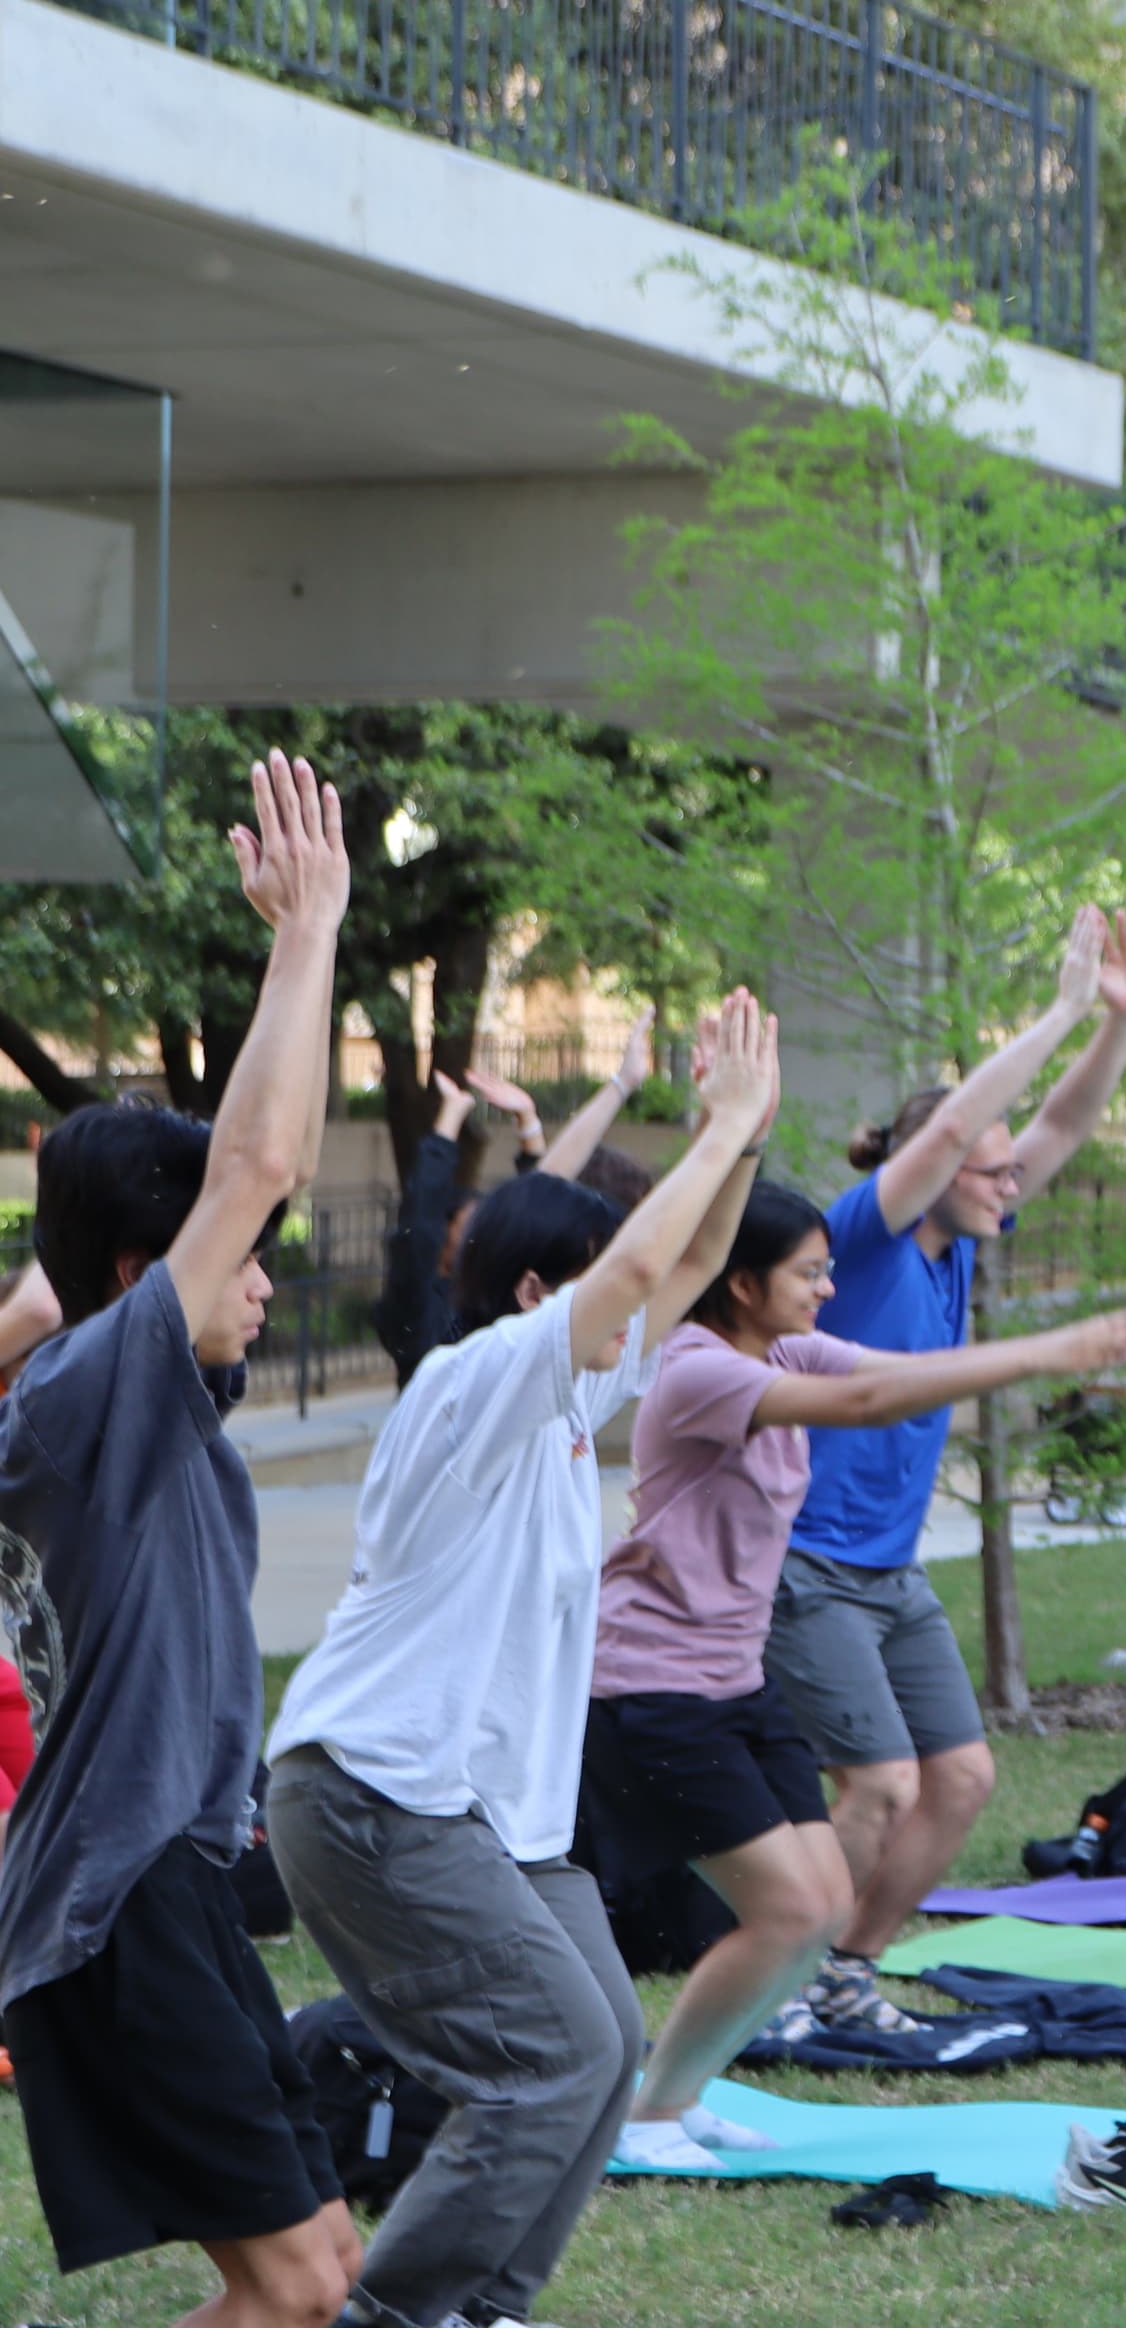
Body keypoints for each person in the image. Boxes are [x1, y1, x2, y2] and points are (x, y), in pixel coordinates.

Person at [260, 991, 774, 2328]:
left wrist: (747, 1129)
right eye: (604, 1281)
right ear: (541, 1291)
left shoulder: (566, 1401)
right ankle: (397, 2315)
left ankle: (482, 2307)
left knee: (600, 2061)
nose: (644, 1310)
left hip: (488, 1821)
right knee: (544, 2065)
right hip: (378, 1794)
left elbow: (683, 1265)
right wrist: (709, 1132)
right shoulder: (478, 1377)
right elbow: (633, 1277)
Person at [0, 755, 363, 2328]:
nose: (270, 1282)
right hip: (117, 1904)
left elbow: (70, 1273)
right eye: (246, 1261)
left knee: (319, 2275)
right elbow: (261, 1163)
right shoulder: (93, 1388)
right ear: (154, 1271)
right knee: (289, 2289)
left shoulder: (85, 1378)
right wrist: (307, 934)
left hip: (169, 1886)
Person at [593, 1180, 1126, 2167]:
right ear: (739, 1283)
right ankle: (645, 2115)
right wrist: (1053, 1351)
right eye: (808, 1272)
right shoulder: (694, 1370)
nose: (828, 1287)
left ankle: (673, 2099)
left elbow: (903, 1373)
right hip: (652, 1686)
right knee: (786, 1911)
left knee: (817, 1914)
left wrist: (1040, 1352)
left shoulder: (781, 1348)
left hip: (731, 1680)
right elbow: (862, 1401)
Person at [776, 902, 1126, 2033]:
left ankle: (846, 1968)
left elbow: (1058, 1127)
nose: (1007, 1178)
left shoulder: (957, 1242)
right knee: (881, 1783)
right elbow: (955, 1138)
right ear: (927, 1163)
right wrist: (1057, 1006)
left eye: (1007, 1169)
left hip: (889, 1574)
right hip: (809, 1565)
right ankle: (782, 1979)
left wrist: (1114, 1028)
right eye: (987, 1165)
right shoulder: (868, 1231)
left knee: (962, 1780)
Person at [376, 1025, 655, 1385]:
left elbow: (539, 1204)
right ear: (444, 1235)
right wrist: (450, 1119)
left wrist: (529, 1125)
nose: (486, 1223)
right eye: (470, 1218)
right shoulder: (429, 1322)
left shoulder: (506, 1314)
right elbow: (420, 1223)